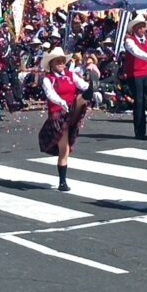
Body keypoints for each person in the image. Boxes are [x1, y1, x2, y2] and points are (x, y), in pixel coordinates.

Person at [39, 47, 92, 192]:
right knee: (65, 148)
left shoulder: (71, 75)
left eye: (63, 61)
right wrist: (60, 102)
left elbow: (83, 86)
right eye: (58, 61)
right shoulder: (47, 79)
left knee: (84, 95)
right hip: (58, 115)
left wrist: (90, 86)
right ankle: (62, 182)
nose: (61, 63)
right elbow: (50, 94)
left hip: (72, 111)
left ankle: (94, 85)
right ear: (51, 64)